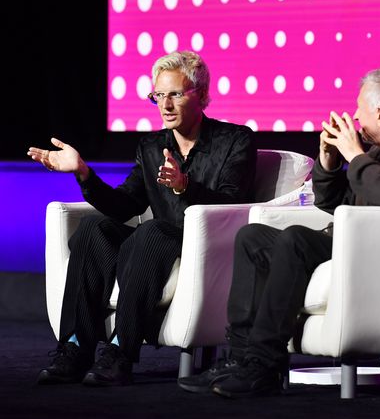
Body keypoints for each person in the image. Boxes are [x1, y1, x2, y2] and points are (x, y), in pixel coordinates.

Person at [178, 64, 380, 398]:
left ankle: (263, 366)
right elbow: (333, 202)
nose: (355, 118)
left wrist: (355, 155)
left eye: (361, 110)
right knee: (253, 237)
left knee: (296, 240)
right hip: (362, 241)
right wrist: (329, 162)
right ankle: (241, 358)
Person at [28, 51, 256, 386]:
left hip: (200, 244)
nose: (165, 105)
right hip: (151, 242)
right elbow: (125, 205)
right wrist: (84, 173)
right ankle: (74, 348)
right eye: (159, 95)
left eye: (175, 94)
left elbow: (232, 203)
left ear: (202, 95)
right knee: (94, 227)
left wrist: (184, 187)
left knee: (151, 231)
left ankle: (120, 351)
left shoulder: (235, 140)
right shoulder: (151, 146)